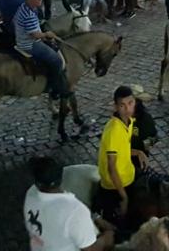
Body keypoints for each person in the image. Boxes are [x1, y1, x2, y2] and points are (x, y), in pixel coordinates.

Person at [23, 155, 114, 251]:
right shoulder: (74, 211)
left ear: (37, 182)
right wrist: (108, 236)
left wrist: (96, 217)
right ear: (61, 177)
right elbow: (92, 249)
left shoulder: (31, 193)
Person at [95, 86, 146, 233]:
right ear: (116, 107)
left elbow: (122, 149)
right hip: (114, 186)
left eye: (130, 103)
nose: (127, 108)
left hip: (127, 175)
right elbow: (111, 168)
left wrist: (137, 152)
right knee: (118, 226)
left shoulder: (128, 121)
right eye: (122, 105)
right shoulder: (114, 131)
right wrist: (123, 197)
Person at [14, 0, 69, 100]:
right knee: (57, 61)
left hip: (25, 39)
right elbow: (34, 35)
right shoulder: (28, 13)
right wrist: (47, 34)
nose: (41, 0)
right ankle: (53, 87)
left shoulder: (26, 8)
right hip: (29, 44)